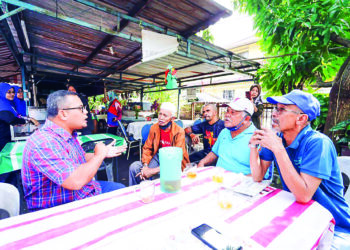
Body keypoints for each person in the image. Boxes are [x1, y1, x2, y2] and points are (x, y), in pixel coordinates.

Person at [249, 90, 350, 249]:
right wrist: (254, 147)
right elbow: (257, 176)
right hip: (299, 217)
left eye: (281, 109)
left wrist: (278, 149)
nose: (274, 114)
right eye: (275, 109)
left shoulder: (318, 143)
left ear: (301, 118)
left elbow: (303, 195)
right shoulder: (278, 139)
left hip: (333, 226)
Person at [22, 90, 127, 212]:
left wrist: (99, 154)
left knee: (122, 191)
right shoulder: (44, 142)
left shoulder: (67, 135)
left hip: (81, 193)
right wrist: (99, 155)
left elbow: (80, 157)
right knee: (122, 201)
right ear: (63, 114)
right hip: (59, 208)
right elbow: (76, 181)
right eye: (81, 108)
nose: (87, 112)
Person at [129, 102, 189, 186]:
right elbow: (147, 148)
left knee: (161, 175)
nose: (161, 118)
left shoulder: (179, 132)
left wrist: (152, 171)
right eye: (160, 114)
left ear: (172, 119)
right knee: (134, 167)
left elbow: (176, 159)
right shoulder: (154, 128)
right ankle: (135, 193)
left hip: (172, 161)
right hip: (158, 156)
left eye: (165, 115)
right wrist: (146, 166)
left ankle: (153, 192)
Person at [197, 98, 256, 175]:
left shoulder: (257, 138)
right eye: (227, 111)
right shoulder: (224, 132)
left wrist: (235, 181)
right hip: (218, 179)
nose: (227, 114)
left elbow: (261, 176)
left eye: (233, 112)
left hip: (242, 184)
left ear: (246, 119)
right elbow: (215, 152)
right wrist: (202, 162)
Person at [0, 83, 38, 152]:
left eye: (13, 92)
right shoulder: (2, 105)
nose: (12, 94)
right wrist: (27, 120)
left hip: (6, 136)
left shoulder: (8, 104)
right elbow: (11, 119)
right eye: (8, 92)